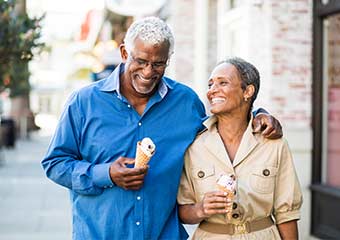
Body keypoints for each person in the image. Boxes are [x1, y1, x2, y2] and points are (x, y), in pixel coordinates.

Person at [41, 17, 283, 239]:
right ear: (125, 53)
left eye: (158, 64)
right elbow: (54, 163)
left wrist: (258, 114)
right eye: (141, 61)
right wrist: (106, 174)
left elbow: (223, 129)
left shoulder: (185, 103)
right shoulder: (84, 103)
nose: (148, 72)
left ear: (168, 59)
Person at [177, 57, 303, 239]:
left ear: (248, 91)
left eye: (223, 83)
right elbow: (181, 210)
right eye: (211, 84)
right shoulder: (194, 145)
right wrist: (201, 209)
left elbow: (287, 214)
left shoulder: (273, 144)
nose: (212, 90)